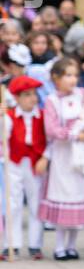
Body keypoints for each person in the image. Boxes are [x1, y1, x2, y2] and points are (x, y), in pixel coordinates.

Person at [38, 57, 84, 260]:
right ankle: (59, 246)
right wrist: (75, 134)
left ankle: (72, 245)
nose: (72, 80)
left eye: (75, 75)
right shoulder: (52, 100)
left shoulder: (83, 95)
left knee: (79, 194)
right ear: (56, 78)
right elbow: (51, 129)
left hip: (82, 154)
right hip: (63, 156)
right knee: (63, 194)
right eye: (68, 75)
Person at [2, 75, 47, 258]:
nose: (32, 99)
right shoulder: (10, 116)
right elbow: (2, 136)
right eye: (27, 95)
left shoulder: (42, 115)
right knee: (13, 203)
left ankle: (36, 244)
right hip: (14, 162)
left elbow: (49, 139)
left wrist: (45, 158)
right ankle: (11, 244)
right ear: (18, 98)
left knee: (36, 202)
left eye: (34, 94)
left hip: (35, 163)